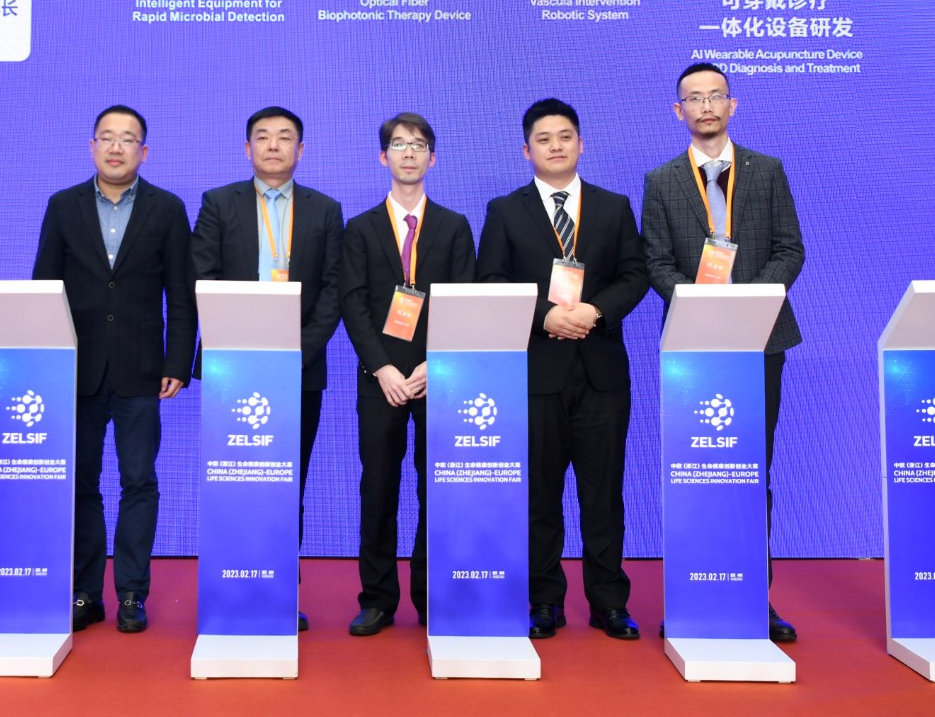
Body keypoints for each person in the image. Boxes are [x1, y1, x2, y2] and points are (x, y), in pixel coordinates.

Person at [641, 62, 805, 643]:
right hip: (694, 344)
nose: (706, 106)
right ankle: (694, 593)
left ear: (732, 105)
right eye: (694, 98)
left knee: (750, 470)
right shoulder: (661, 181)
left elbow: (790, 249)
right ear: (678, 111)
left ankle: (754, 596)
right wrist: (701, 307)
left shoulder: (767, 171)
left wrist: (747, 304)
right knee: (697, 471)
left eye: (715, 96)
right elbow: (656, 261)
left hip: (760, 340)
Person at [476, 98, 650, 641]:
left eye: (565, 136)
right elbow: (491, 281)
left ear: (581, 144)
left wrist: (595, 312)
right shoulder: (505, 211)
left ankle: (609, 603)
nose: (556, 146)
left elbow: (635, 274)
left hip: (602, 373)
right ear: (526, 150)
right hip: (536, 373)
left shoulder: (613, 206)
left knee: (604, 495)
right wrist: (545, 315)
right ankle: (545, 600)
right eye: (544, 139)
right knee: (540, 495)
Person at [32, 105, 197, 634]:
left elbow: (181, 294)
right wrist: (47, 361)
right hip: (77, 369)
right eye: (107, 137)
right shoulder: (63, 206)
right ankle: (84, 592)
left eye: (128, 139)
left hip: (141, 369)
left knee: (139, 481)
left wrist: (178, 362)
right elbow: (43, 288)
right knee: (80, 483)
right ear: (92, 147)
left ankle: (130, 592)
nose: (116, 147)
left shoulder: (167, 208)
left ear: (144, 152)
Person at [192, 106, 343, 632]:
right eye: (262, 137)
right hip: (233, 371)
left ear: (301, 150)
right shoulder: (218, 203)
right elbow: (203, 277)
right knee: (234, 481)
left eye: (284, 137)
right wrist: (237, 349)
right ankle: (229, 589)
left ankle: (280, 591)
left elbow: (334, 290)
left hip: (299, 370)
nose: (273, 145)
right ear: (247, 149)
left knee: (286, 483)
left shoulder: (326, 210)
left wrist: (298, 353)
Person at [338, 113, 476, 635]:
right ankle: (377, 598)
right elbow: (353, 304)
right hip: (381, 380)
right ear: (383, 157)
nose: (409, 153)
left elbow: (463, 299)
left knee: (435, 488)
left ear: (432, 158)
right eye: (398, 145)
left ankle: (430, 594)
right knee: (378, 488)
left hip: (437, 375)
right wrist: (383, 368)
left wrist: (433, 363)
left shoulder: (455, 226)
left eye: (419, 145)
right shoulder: (360, 228)